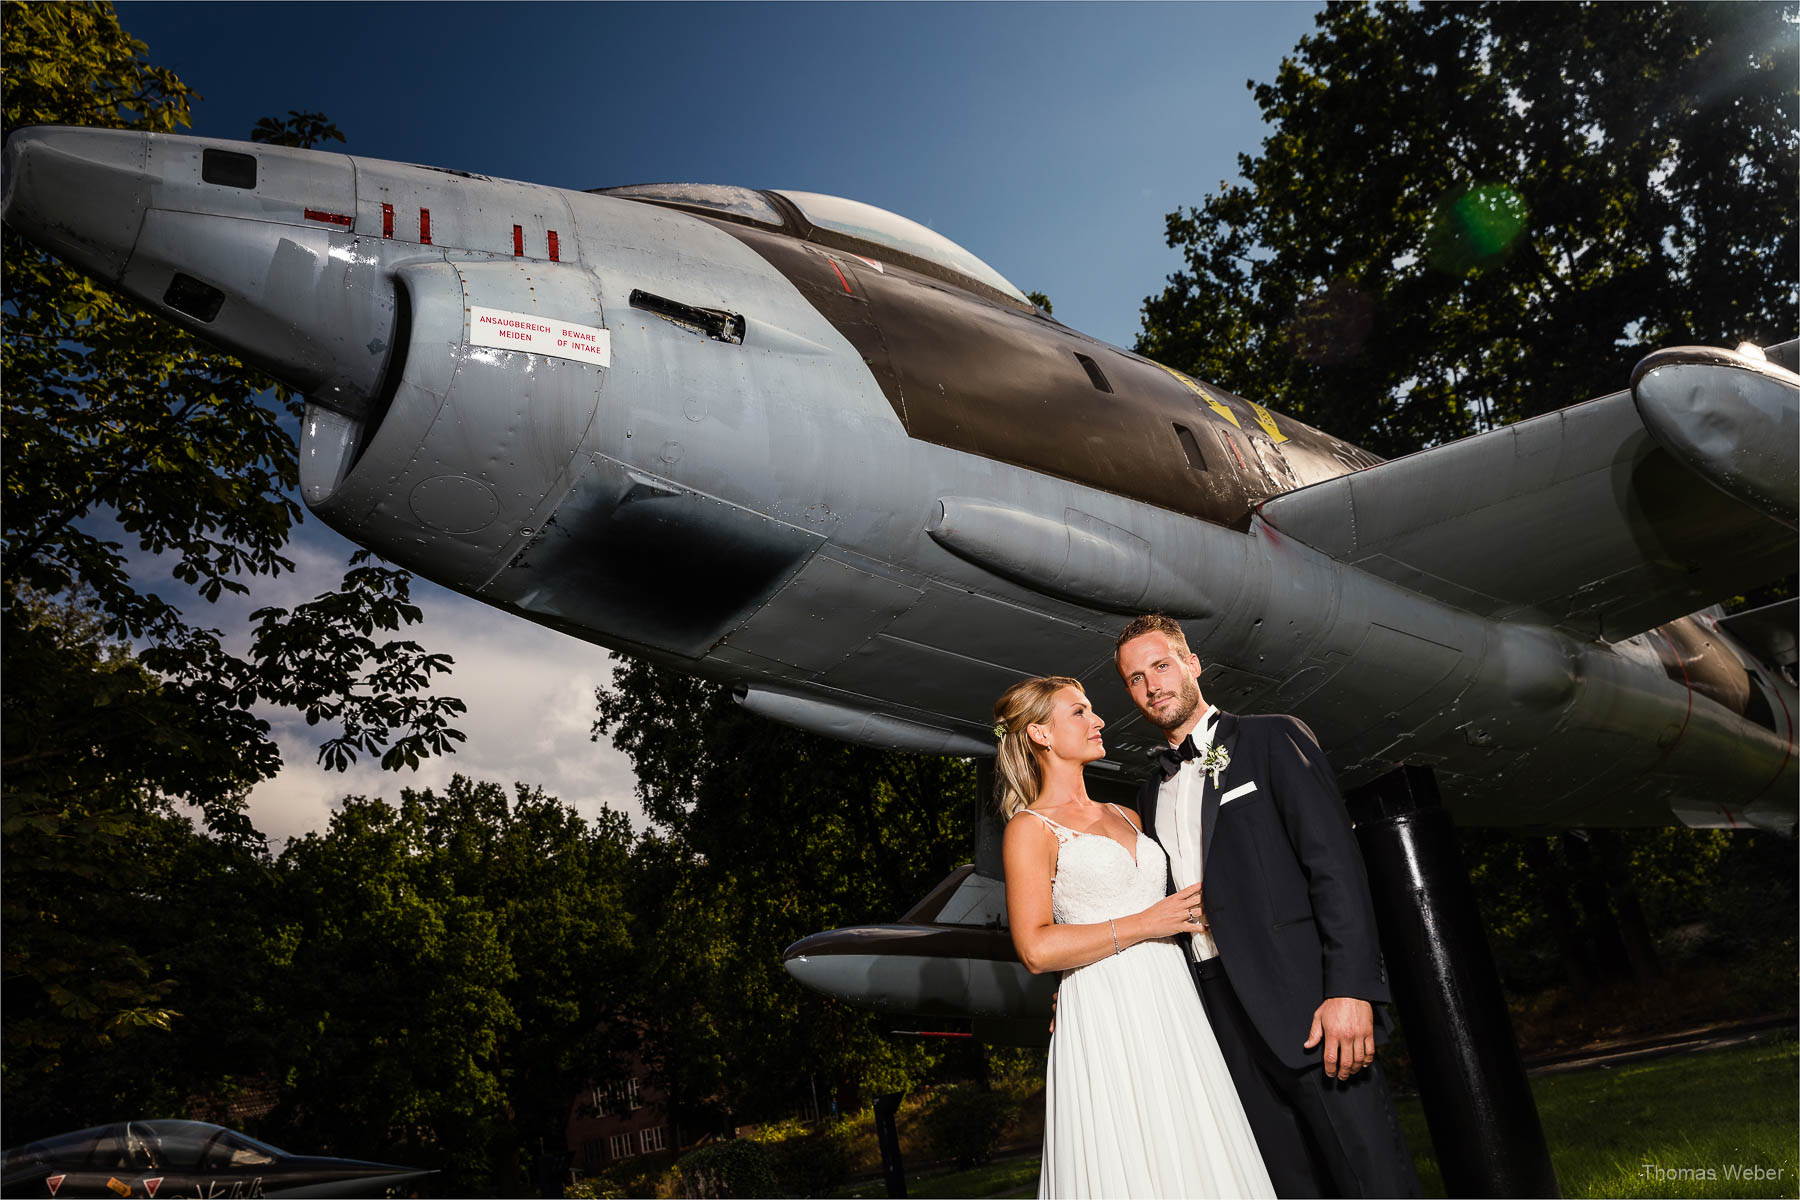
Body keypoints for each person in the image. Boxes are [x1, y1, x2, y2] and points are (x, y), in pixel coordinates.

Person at [1114, 613, 1420, 1199]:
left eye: (1161, 665)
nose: (1153, 686)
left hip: (1306, 1003)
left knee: (1371, 1178)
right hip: (1216, 1015)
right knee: (1284, 1184)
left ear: (1191, 664)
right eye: (1135, 679)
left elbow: (1336, 869)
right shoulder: (1150, 793)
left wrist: (1351, 988)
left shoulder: (1272, 738)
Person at [997, 675, 1275, 1199]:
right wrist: (1148, 923)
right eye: (1079, 712)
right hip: (1106, 1009)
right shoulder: (1029, 829)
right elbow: (1035, 948)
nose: (1098, 720)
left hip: (1171, 997)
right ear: (1040, 735)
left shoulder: (1128, 814)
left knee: (1193, 1143)